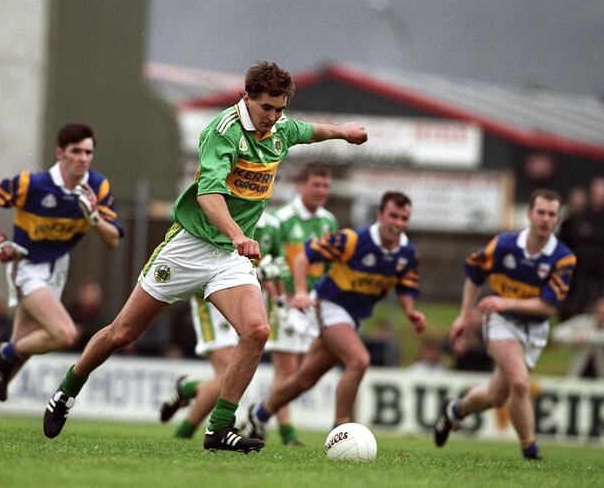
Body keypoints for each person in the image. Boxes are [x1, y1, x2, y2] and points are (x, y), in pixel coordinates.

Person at [42, 61, 367, 453]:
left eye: (281, 109)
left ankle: (219, 429)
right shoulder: (223, 132)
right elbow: (208, 195)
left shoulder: (279, 129)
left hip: (228, 256)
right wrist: (238, 234)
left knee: (257, 331)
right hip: (190, 246)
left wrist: (344, 133)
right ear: (247, 97)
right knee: (123, 333)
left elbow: (310, 131)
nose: (274, 117)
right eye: (267, 108)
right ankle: (66, 391)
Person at [0, 122, 123, 426]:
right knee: (64, 334)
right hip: (26, 267)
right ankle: (3, 351)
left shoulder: (96, 187)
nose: (83, 158)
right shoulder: (32, 184)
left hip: (57, 267)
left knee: (24, 346)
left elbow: (112, 239)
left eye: (88, 152)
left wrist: (93, 216)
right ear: (60, 153)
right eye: (76, 151)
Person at [243, 191, 426, 440]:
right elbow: (304, 256)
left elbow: (406, 286)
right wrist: (299, 291)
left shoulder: (408, 254)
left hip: (351, 318)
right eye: (393, 216)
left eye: (404, 218)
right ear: (380, 215)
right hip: (327, 305)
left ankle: (259, 415)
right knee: (359, 359)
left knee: (305, 379)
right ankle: (341, 430)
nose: (398, 223)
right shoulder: (353, 239)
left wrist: (410, 311)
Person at [434, 189, 576, 461]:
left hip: (534, 328)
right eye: (541, 212)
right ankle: (530, 451)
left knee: (496, 395)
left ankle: (454, 410)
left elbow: (548, 305)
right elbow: (475, 274)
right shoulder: (503, 244)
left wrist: (505, 302)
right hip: (501, 322)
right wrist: (465, 315)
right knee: (520, 384)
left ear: (557, 219)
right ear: (529, 214)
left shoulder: (563, 257)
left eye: (551, 214)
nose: (545, 219)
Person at [158, 211, 285, 442]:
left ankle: (189, 392)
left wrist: (272, 273)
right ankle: (190, 433)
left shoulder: (273, 223)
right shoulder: (221, 207)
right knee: (227, 374)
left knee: (228, 375)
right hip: (209, 296)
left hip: (244, 295)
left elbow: (279, 262)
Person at [265, 164, 338, 445]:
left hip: (314, 303)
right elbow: (272, 260)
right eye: (316, 185)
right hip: (284, 301)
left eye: (326, 186)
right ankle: (287, 433)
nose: (322, 191)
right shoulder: (281, 218)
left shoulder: (329, 221)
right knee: (287, 370)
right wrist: (282, 296)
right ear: (300, 185)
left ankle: (260, 416)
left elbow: (331, 264)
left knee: (302, 371)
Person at [559, 177, 604, 317]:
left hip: (599, 269)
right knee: (575, 303)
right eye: (597, 194)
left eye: (603, 195)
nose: (599, 199)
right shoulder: (578, 217)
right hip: (576, 270)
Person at [551, 296, 604, 378]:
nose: (602, 315)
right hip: (578, 374)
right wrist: (575, 337)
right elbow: (557, 333)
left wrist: (586, 336)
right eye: (600, 311)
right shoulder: (582, 322)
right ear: (595, 309)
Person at [68, 281, 106, 352]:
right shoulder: (70, 314)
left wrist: (83, 331)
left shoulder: (102, 317)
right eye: (87, 292)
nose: (90, 295)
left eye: (93, 292)